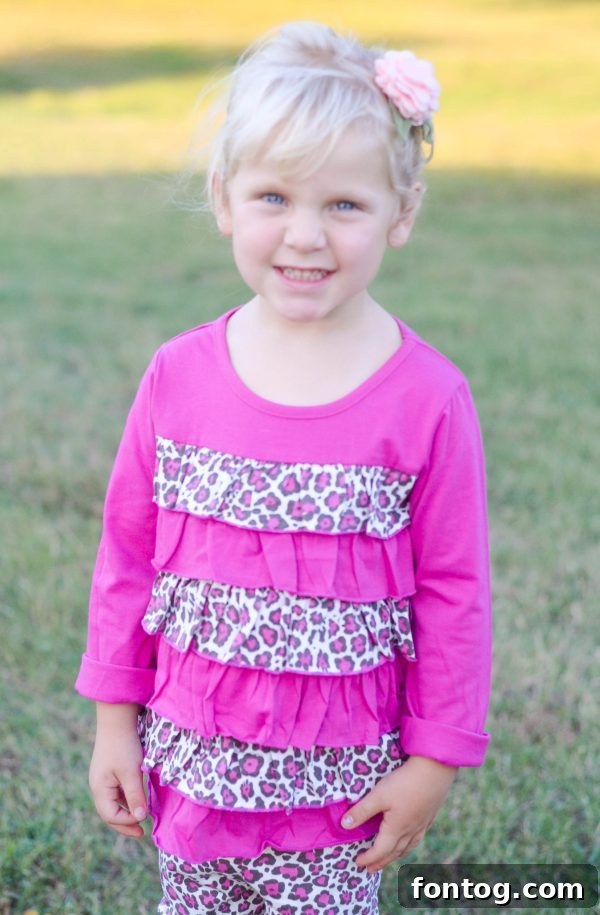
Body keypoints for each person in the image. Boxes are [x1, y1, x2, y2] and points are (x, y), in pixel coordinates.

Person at [75, 20, 491, 915]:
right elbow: (127, 559)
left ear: (402, 212)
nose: (305, 235)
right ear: (224, 199)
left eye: (344, 205)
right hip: (191, 761)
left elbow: (455, 590)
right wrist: (116, 725)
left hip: (338, 787)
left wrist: (432, 762)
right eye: (274, 198)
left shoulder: (428, 398)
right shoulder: (177, 376)